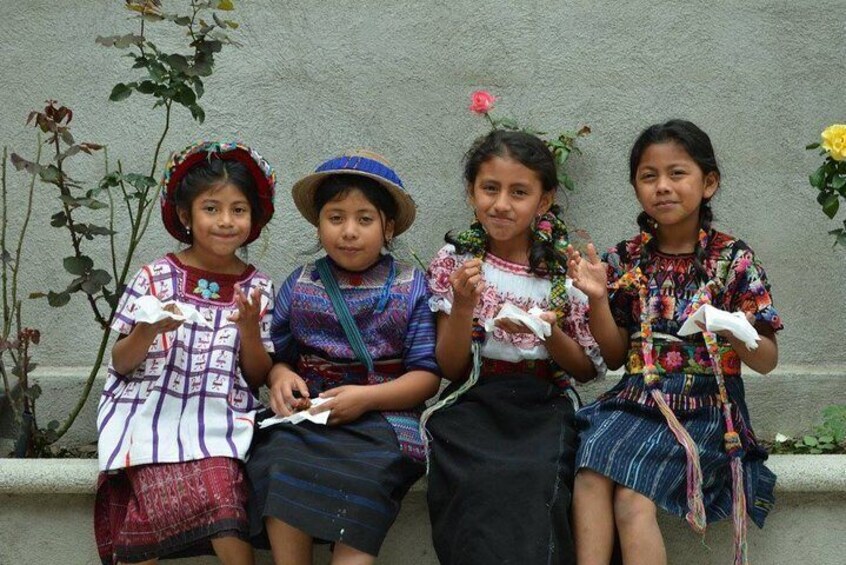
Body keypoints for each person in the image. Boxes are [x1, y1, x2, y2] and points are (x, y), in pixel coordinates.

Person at [569, 120, 782, 565]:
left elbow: (766, 360)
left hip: (704, 411)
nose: (662, 187)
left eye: (677, 173)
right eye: (649, 176)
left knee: (632, 499)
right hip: (634, 401)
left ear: (709, 183)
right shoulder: (625, 259)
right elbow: (612, 355)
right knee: (589, 471)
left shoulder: (731, 260)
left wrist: (732, 329)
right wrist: (596, 300)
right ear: (635, 188)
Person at [246, 151, 441, 565]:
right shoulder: (300, 284)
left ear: (388, 227)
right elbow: (277, 357)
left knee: (366, 476)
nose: (349, 231)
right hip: (309, 416)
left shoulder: (412, 287)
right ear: (319, 225)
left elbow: (426, 376)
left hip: (385, 421)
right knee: (278, 459)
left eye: (364, 219)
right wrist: (280, 377)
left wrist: (366, 399)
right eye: (336, 218)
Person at [423, 129, 605, 565]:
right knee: (473, 481)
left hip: (541, 403)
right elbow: (449, 365)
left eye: (519, 192)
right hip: (472, 399)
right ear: (471, 193)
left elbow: (583, 370)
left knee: (534, 477)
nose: (501, 204)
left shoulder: (563, 272)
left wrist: (550, 334)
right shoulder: (457, 262)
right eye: (490, 188)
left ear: (543, 201)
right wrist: (463, 304)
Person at [94, 141, 277, 564]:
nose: (226, 221)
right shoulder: (155, 277)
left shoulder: (259, 287)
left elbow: (256, 376)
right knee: (143, 522)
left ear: (253, 217)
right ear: (185, 216)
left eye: (238, 210)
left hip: (219, 420)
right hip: (149, 415)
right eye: (211, 208)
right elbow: (120, 362)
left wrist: (250, 331)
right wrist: (147, 330)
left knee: (223, 503)